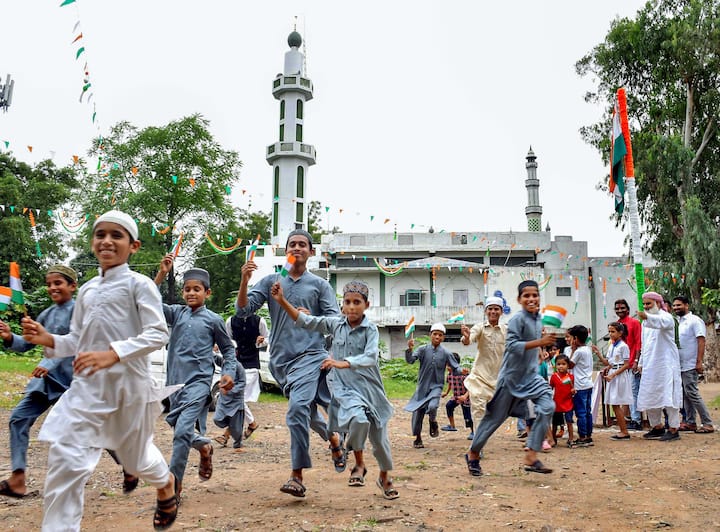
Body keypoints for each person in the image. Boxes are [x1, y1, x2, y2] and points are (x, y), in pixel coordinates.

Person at [21, 210, 177, 531]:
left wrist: (114, 354)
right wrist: (48, 339)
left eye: (116, 235)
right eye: (100, 234)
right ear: (93, 242)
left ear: (133, 246)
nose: (106, 241)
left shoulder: (140, 285)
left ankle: (166, 484)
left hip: (129, 390)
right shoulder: (88, 290)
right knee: (65, 463)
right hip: (86, 391)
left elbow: (158, 333)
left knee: (134, 460)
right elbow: (78, 339)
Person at [235, 229, 344, 498]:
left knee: (296, 411)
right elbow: (243, 310)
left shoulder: (319, 285)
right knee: (306, 413)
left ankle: (297, 475)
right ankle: (334, 440)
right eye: (292, 245)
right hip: (281, 361)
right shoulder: (273, 280)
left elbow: (336, 322)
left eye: (302, 245)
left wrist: (311, 318)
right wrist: (244, 281)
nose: (297, 248)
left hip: (310, 355)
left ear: (311, 251)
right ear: (286, 251)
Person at [271, 279, 398, 499]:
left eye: (357, 302)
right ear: (342, 306)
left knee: (380, 439)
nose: (351, 307)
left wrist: (342, 362)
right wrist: (282, 300)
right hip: (345, 387)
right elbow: (306, 321)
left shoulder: (371, 329)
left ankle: (384, 477)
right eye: (347, 302)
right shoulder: (334, 324)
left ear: (366, 305)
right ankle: (357, 461)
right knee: (358, 420)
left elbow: (370, 357)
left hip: (371, 387)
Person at [154, 254, 237, 492]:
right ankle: (203, 446)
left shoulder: (214, 320)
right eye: (187, 289)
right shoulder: (176, 314)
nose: (191, 293)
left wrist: (228, 372)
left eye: (197, 289)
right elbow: (147, 300)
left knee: (181, 433)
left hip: (199, 384)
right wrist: (162, 273)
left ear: (207, 293)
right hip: (174, 385)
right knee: (180, 429)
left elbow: (228, 350)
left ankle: (173, 487)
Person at [465, 280, 556, 477]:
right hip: (510, 379)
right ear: (519, 300)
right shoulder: (516, 320)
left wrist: (539, 350)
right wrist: (540, 342)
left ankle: (531, 455)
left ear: (539, 298)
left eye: (535, 295)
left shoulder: (537, 319)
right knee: (493, 419)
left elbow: (531, 344)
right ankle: (473, 453)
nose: (531, 299)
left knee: (548, 406)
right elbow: (513, 346)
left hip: (531, 378)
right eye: (527, 296)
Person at [215, 313, 269, 448]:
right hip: (235, 365)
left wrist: (261, 341)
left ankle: (227, 434)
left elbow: (268, 339)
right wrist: (219, 346)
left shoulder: (259, 321)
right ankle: (251, 423)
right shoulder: (231, 321)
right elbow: (227, 341)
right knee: (239, 400)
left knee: (239, 399)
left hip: (251, 365)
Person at [459, 296, 508, 442]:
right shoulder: (479, 327)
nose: (493, 312)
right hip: (479, 377)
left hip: (498, 379)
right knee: (478, 410)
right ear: (486, 311)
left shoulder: (507, 330)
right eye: (490, 309)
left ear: (501, 311)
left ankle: (484, 434)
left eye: (496, 309)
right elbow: (469, 340)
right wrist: (466, 337)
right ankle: (478, 443)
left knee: (497, 412)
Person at [405, 323, 460, 449]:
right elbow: (411, 360)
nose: (437, 337)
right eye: (435, 334)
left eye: (440, 335)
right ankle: (418, 438)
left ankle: (432, 421)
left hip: (437, 386)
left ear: (443, 337)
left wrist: (461, 370)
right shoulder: (423, 349)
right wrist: (409, 350)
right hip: (422, 386)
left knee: (433, 406)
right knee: (418, 413)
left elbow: (455, 367)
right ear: (430, 335)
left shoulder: (446, 353)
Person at [637, 292, 683, 441]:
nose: (646, 307)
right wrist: (641, 363)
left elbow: (663, 323)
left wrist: (647, 317)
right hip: (650, 365)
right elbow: (645, 345)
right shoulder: (645, 322)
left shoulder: (666, 317)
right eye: (644, 304)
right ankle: (657, 427)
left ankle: (674, 428)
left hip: (666, 364)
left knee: (669, 395)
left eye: (649, 304)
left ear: (657, 303)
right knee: (650, 395)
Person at [672, 296, 714, 434]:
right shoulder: (677, 322)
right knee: (684, 394)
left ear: (686, 305)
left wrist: (699, 361)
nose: (676, 308)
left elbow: (701, 341)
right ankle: (690, 422)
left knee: (692, 393)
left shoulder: (695, 321)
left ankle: (707, 423)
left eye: (679, 305)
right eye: (674, 306)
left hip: (691, 363)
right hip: (679, 364)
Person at [594, 322, 633, 440]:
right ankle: (622, 429)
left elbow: (626, 364)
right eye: (609, 331)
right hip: (613, 374)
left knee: (616, 403)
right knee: (613, 403)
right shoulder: (611, 345)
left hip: (619, 375)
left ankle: (624, 431)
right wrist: (598, 354)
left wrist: (614, 374)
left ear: (620, 333)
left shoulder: (623, 346)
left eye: (613, 331)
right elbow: (609, 362)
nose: (610, 334)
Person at [614, 299, 642, 430]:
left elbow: (638, 343)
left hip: (631, 364)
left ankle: (636, 420)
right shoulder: (616, 325)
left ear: (628, 309)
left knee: (633, 392)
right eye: (617, 308)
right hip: (620, 365)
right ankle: (628, 417)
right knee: (624, 393)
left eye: (622, 308)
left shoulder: (634, 323)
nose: (620, 310)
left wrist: (636, 361)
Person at [568, 325, 594, 447]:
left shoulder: (578, 352)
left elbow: (569, 365)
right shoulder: (587, 349)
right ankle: (588, 435)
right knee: (587, 411)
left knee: (581, 413)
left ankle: (582, 436)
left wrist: (572, 349)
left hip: (579, 385)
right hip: (588, 383)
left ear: (576, 338)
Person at [440, 353, 473, 438]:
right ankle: (452, 426)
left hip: (466, 398)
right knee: (449, 406)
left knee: (467, 415)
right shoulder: (449, 375)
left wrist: (465, 396)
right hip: (456, 396)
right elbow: (450, 384)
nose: (448, 368)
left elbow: (471, 386)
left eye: (450, 366)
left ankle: (473, 431)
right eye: (447, 365)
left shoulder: (463, 374)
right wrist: (446, 393)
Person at [549, 354, 575, 447]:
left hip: (568, 403)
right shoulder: (554, 376)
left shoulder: (570, 377)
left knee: (569, 421)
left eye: (563, 364)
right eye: (559, 364)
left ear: (568, 365)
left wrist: (573, 391)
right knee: (555, 423)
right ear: (555, 365)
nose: (561, 366)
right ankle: (553, 439)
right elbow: (550, 388)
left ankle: (571, 439)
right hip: (556, 403)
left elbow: (572, 389)